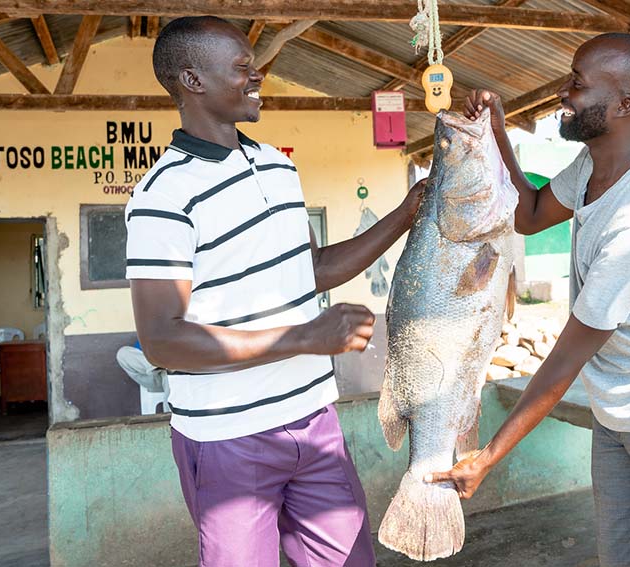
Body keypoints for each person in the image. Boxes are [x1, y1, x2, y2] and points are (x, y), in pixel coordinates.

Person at [428, 33, 630, 567]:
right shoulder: (596, 166)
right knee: (622, 557)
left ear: (624, 106)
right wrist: (498, 132)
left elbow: (565, 360)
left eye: (576, 85)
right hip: (618, 406)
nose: (562, 96)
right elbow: (527, 216)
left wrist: (488, 457)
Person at [125, 16, 424, 566]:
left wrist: (405, 215)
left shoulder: (277, 167)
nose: (258, 75)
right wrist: (304, 336)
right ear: (193, 80)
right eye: (242, 68)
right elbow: (163, 341)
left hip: (314, 422)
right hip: (226, 438)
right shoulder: (163, 196)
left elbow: (311, 269)